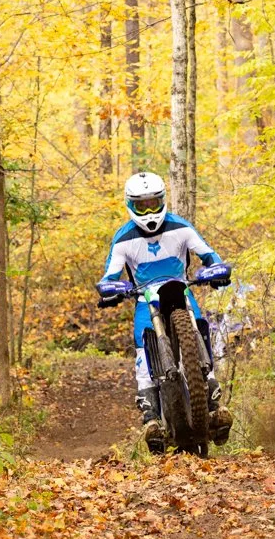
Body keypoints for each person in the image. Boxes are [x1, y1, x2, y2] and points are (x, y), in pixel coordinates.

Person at [97, 172, 233, 451]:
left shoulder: (181, 228)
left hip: (180, 288)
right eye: (142, 206)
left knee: (199, 325)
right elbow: (109, 275)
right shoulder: (123, 239)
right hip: (145, 299)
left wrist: (215, 270)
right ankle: (151, 419)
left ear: (163, 201)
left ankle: (213, 401)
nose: (149, 211)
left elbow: (209, 254)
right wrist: (112, 288)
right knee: (142, 345)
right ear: (130, 206)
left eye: (153, 203)